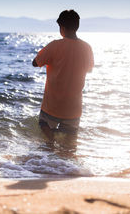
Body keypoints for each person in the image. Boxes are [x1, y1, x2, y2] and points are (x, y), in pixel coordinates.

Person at [32, 10, 94, 143]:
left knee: (46, 133)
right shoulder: (87, 48)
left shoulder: (55, 45)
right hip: (74, 108)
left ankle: (48, 155)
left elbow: (35, 63)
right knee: (69, 146)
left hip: (52, 105)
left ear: (62, 28)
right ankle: (63, 162)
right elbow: (89, 69)